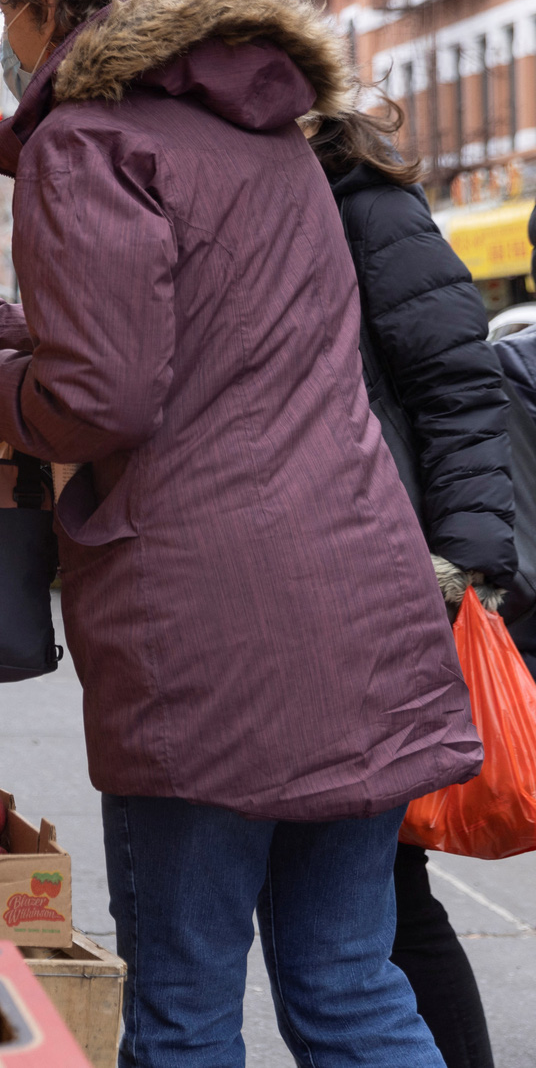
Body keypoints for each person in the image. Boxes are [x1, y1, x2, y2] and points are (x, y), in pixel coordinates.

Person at [0, 0, 479, 1067]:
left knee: (182, 1004)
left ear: (39, 1)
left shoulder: (83, 138)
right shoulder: (267, 136)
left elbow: (101, 390)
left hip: (205, 634)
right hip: (359, 596)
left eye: (5, 7)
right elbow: (152, 338)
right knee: (348, 981)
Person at [309, 99, 509, 1068]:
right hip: (329, 574)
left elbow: (453, 379)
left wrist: (463, 563)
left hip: (393, 575)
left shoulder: (360, 202)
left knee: (387, 886)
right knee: (378, 888)